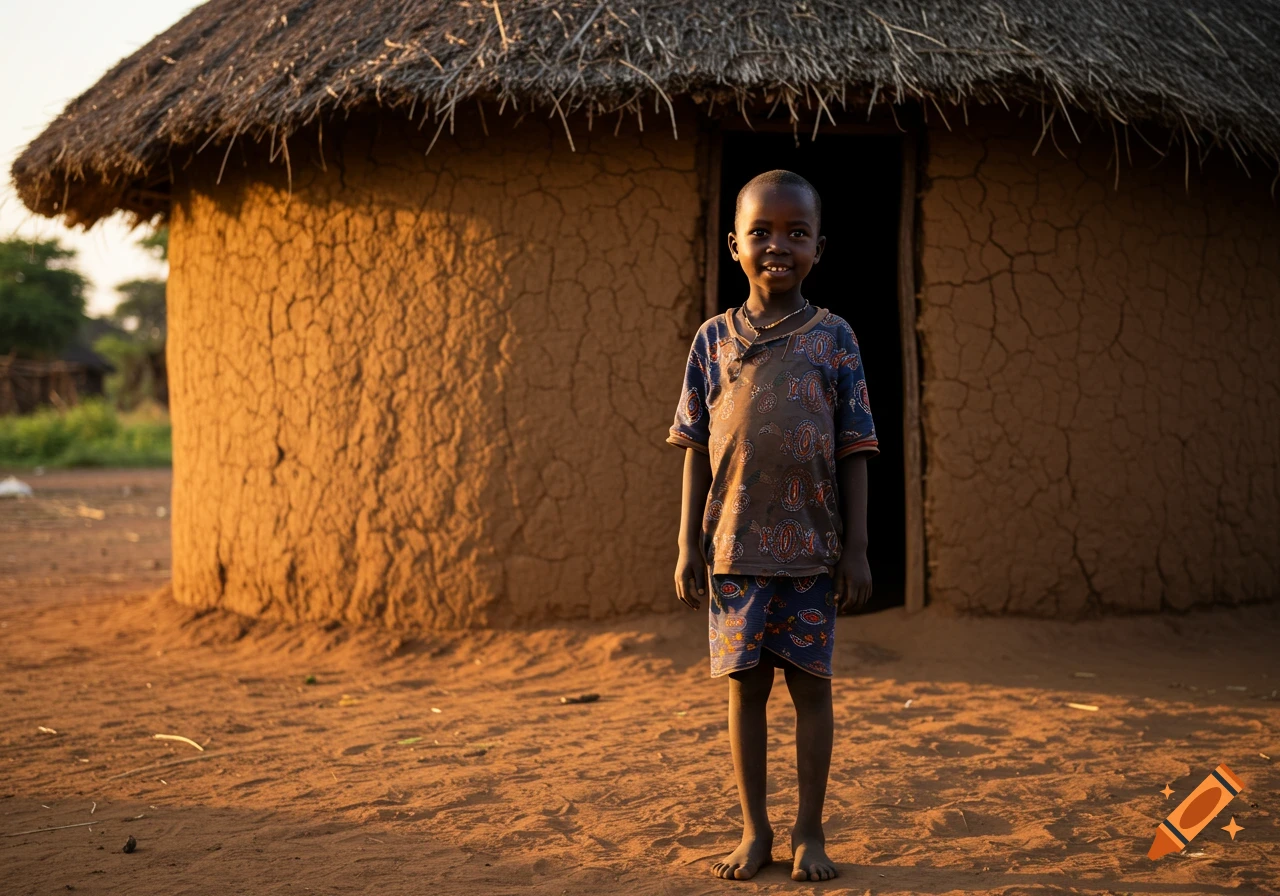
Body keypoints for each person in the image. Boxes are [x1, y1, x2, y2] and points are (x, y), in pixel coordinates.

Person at [667, 169, 878, 882]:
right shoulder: (711, 340)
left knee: (812, 690)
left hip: (814, 554)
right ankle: (755, 831)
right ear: (734, 245)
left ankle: (809, 831)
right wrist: (687, 544)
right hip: (731, 549)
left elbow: (856, 450)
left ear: (821, 245)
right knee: (746, 691)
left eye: (796, 232)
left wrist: (857, 550)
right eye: (760, 232)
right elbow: (694, 445)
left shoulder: (836, 340)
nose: (777, 245)